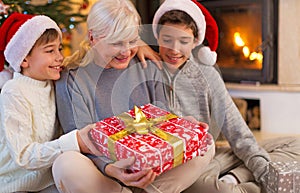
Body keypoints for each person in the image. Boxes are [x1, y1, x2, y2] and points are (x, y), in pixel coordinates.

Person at [54, 0, 215, 192]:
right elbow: (80, 141)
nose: (126, 51)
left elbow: (164, 122)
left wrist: (184, 127)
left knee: (206, 142)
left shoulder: (147, 66)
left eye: (132, 41)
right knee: (66, 164)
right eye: (117, 43)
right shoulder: (72, 80)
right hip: (105, 174)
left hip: (154, 169)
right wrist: (111, 168)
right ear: (93, 38)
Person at [152, 0, 300, 193]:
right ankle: (239, 181)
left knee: (294, 144)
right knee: (216, 189)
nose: (174, 49)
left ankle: (237, 176)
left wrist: (265, 172)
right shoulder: (146, 71)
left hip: (212, 156)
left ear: (195, 41)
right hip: (182, 172)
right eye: (167, 39)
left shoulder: (207, 75)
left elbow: (237, 132)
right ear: (157, 38)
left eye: (183, 41)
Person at [0, 13, 95, 193]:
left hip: (50, 177)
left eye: (59, 49)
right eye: (50, 51)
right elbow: (24, 156)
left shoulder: (53, 79)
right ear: (24, 59)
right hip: (17, 186)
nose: (59, 57)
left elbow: (85, 56)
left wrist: (136, 46)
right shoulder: (14, 91)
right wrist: (74, 141)